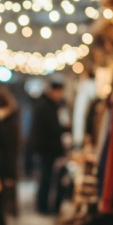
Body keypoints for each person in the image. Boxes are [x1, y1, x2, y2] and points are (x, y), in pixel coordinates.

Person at [28, 77, 65, 214]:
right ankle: (42, 207)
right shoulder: (45, 106)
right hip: (46, 150)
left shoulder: (47, 104)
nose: (60, 95)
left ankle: (43, 206)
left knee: (46, 178)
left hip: (46, 149)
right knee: (45, 178)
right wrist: (64, 128)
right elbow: (51, 128)